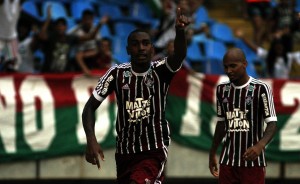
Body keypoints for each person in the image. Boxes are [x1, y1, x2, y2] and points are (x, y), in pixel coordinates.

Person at [82, 7, 190, 184]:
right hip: (124, 153)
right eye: (136, 44)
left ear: (152, 49)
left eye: (146, 43)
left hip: (153, 149)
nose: (141, 48)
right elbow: (89, 107)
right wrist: (91, 140)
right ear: (127, 50)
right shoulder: (116, 73)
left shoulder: (161, 71)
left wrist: (179, 31)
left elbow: (179, 55)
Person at [209, 48, 277, 184]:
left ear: (245, 64)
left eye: (233, 66)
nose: (229, 71)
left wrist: (260, 145)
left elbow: (272, 123)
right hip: (228, 161)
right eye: (226, 67)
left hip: (253, 164)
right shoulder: (222, 90)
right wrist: (212, 153)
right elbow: (222, 124)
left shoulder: (261, 88)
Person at [0, 0, 21, 72]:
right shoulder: (2, 2)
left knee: (12, 66)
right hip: (0, 37)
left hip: (12, 38)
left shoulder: (18, 2)